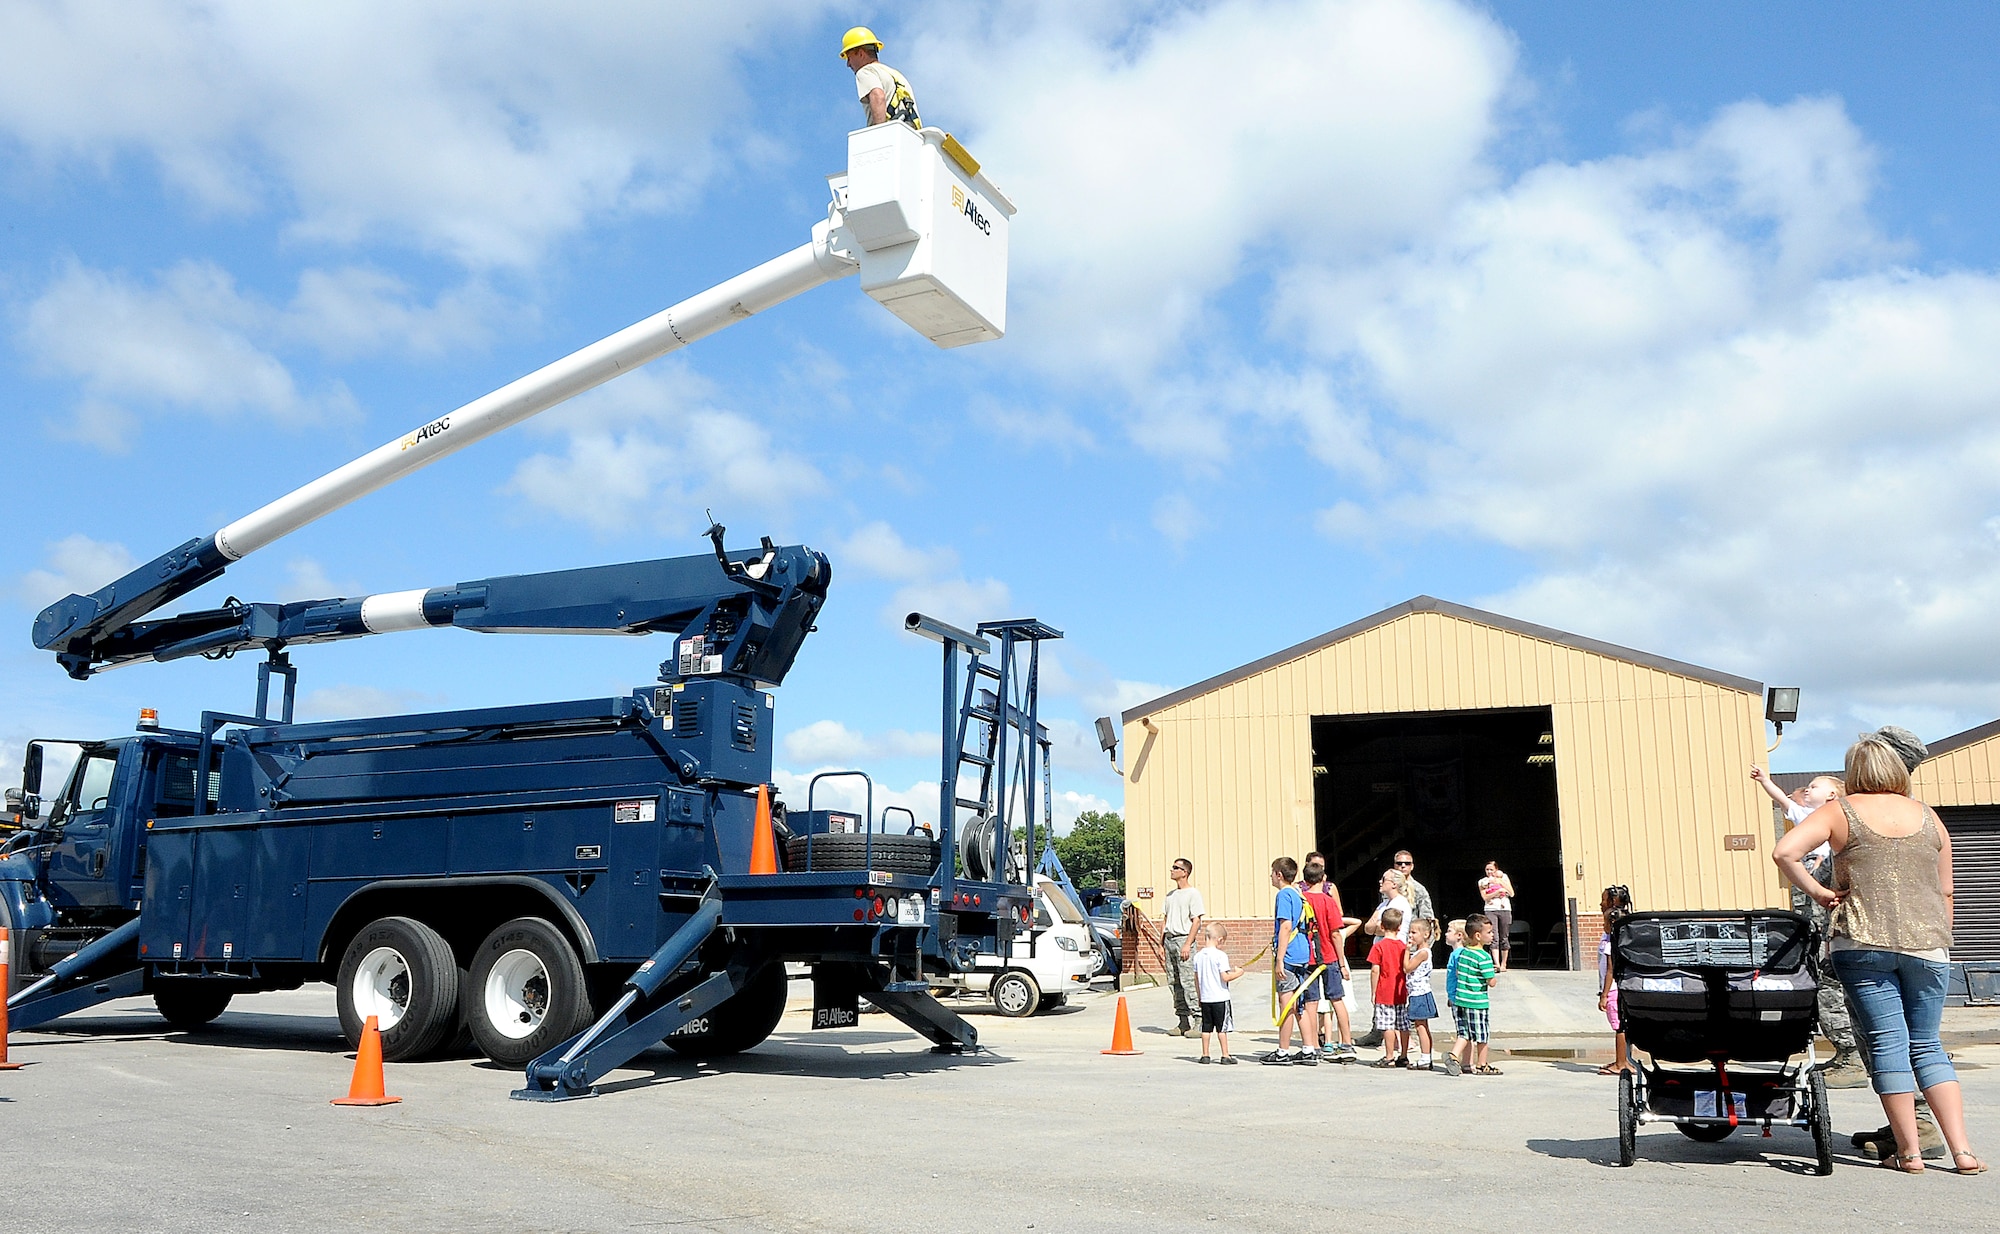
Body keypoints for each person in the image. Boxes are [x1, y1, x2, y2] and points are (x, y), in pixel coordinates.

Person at [1774, 730, 1983, 1175]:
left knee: (1889, 1045)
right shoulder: (1929, 816)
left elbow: (1785, 852)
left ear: (1855, 773)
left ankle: (1909, 1153)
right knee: (1927, 1045)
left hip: (1863, 944)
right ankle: (1962, 1152)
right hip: (1927, 947)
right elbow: (1947, 890)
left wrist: (1822, 893)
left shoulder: (1839, 811)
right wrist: (1936, 935)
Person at [1752, 766, 1867, 1087]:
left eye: (1815, 786)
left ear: (1832, 795)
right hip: (1820, 924)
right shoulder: (1824, 819)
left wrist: (1818, 876)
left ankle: (1851, 1056)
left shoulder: (1835, 825)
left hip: (1832, 929)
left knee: (1829, 985)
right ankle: (1848, 1054)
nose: (1807, 790)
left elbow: (1785, 854)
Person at [1301, 861, 1358, 1062]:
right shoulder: (1328, 902)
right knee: (1337, 999)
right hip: (1329, 956)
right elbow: (1335, 934)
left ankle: (1312, 1045)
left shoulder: (1301, 900)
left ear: (1305, 880)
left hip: (1307, 958)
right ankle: (1347, 1043)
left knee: (1311, 1002)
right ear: (1323, 879)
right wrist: (1342, 962)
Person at [1263, 857, 1318, 1065]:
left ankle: (1283, 1051)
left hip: (1289, 954)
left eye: (1272, 872)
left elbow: (1285, 926)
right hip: (1302, 951)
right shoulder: (1298, 893)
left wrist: (1279, 959)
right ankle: (1308, 1048)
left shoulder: (1284, 895)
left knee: (1286, 1004)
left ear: (1279, 874)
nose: (1270, 876)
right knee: (1299, 1003)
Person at [839, 26, 921, 130]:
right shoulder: (896, 75)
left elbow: (878, 96)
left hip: (891, 136)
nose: (848, 64)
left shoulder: (865, 71)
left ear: (860, 53)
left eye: (849, 58)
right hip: (911, 136)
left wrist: (879, 136)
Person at [1451, 913, 1501, 1076]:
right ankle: (1482, 1064)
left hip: (1461, 999)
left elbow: (1459, 973)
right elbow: (1490, 982)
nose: (1492, 935)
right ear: (1478, 936)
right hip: (1477, 1001)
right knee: (1482, 1035)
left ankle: (1453, 1056)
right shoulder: (1484, 957)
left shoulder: (1464, 953)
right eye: (1490, 932)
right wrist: (1494, 975)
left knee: (1464, 1032)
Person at [1161, 857, 1206, 1037]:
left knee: (1188, 982)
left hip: (1182, 939)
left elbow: (1196, 921)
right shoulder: (1170, 895)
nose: (1172, 870)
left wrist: (1188, 943)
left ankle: (1199, 1020)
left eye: (1176, 867)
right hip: (1169, 940)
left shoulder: (1193, 894)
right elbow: (1165, 920)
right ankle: (1182, 1020)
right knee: (1174, 982)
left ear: (1184, 872)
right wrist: (1160, 943)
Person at [1192, 923, 1245, 1064]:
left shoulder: (1198, 956)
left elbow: (1196, 979)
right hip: (1220, 998)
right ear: (1220, 940)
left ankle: (1205, 1054)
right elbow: (1225, 977)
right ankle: (1225, 1055)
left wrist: (1199, 996)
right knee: (1222, 1028)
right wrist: (1238, 973)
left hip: (1205, 998)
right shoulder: (1220, 956)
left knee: (1206, 1027)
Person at [1596, 885, 1635, 1076]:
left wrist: (1604, 995)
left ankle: (1621, 1064)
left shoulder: (1613, 940)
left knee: (1619, 1026)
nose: (1600, 903)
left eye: (1603, 899)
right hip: (1615, 989)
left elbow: (1611, 970)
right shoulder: (1615, 936)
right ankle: (1624, 1059)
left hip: (1613, 990)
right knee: (1621, 1025)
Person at [1367, 908, 1409, 1068]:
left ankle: (1389, 1055)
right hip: (1400, 991)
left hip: (1385, 991)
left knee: (1387, 1025)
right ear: (1399, 927)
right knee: (1403, 1024)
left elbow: (1375, 969)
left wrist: (1373, 991)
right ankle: (1403, 1055)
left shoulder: (1379, 946)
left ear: (1382, 927)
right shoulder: (1403, 946)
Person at [1403, 918, 1438, 1070]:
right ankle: (1426, 1057)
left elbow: (1407, 968)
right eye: (1409, 932)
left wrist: (1406, 950)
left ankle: (1425, 1058)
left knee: (1420, 1026)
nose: (1410, 935)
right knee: (1422, 1025)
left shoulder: (1423, 952)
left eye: (1414, 932)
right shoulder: (1420, 952)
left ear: (1426, 934)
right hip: (1417, 993)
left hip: (1420, 993)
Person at [1477, 861, 1515, 971]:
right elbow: (1485, 897)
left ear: (1496, 870)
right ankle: (1496, 963)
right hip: (1490, 909)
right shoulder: (1483, 881)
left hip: (1504, 909)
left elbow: (1511, 893)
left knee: (1504, 936)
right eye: (1487, 870)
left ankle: (1504, 964)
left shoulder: (1504, 877)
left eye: (1491, 870)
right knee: (1494, 935)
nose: (1489, 872)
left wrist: (1500, 882)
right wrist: (1497, 892)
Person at [1365, 868, 1413, 940]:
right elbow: (1368, 928)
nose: (1380, 881)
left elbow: (1382, 929)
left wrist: (1376, 928)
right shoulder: (1383, 904)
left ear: (1394, 884)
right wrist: (1378, 927)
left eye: (1384, 879)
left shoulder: (1400, 903)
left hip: (1393, 948)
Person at [1393, 851, 1434, 928]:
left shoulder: (1419, 889)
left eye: (1407, 863)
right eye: (1399, 863)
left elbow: (1427, 917)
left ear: (1412, 866)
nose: (1403, 866)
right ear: (1394, 866)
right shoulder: (1389, 886)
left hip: (1411, 934)